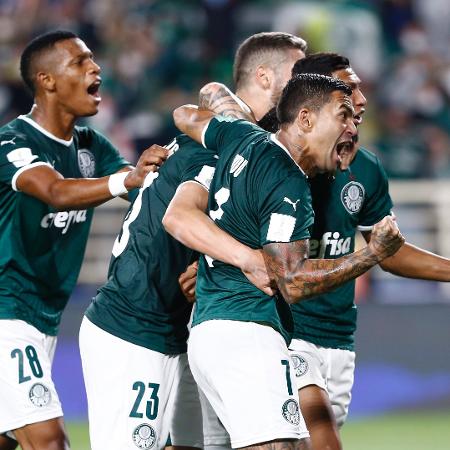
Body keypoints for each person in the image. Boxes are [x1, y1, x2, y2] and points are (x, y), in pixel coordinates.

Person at [78, 32, 308, 450]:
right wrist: (247, 260)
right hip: (134, 324)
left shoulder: (235, 145)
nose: (303, 86)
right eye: (296, 74)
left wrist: (205, 264)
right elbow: (178, 217)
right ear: (263, 77)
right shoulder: (217, 150)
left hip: (179, 329)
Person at [171, 74, 404, 450]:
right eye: (343, 115)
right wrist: (372, 254)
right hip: (244, 329)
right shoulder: (288, 183)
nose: (352, 126)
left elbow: (187, 113)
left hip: (213, 329)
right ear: (306, 120)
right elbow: (291, 281)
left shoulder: (241, 135)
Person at [261, 52, 450, 450]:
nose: (361, 100)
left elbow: (388, 251)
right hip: (284, 331)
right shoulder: (275, 160)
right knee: (320, 441)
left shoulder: (365, 169)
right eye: (348, 89)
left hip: (339, 338)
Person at [0, 30, 167, 450]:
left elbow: (145, 191)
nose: (96, 69)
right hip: (6, 314)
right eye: (80, 62)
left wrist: (180, 167)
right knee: (49, 440)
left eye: (94, 60)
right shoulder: (12, 143)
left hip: (42, 316)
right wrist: (124, 178)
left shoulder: (91, 146)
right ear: (47, 80)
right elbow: (55, 192)